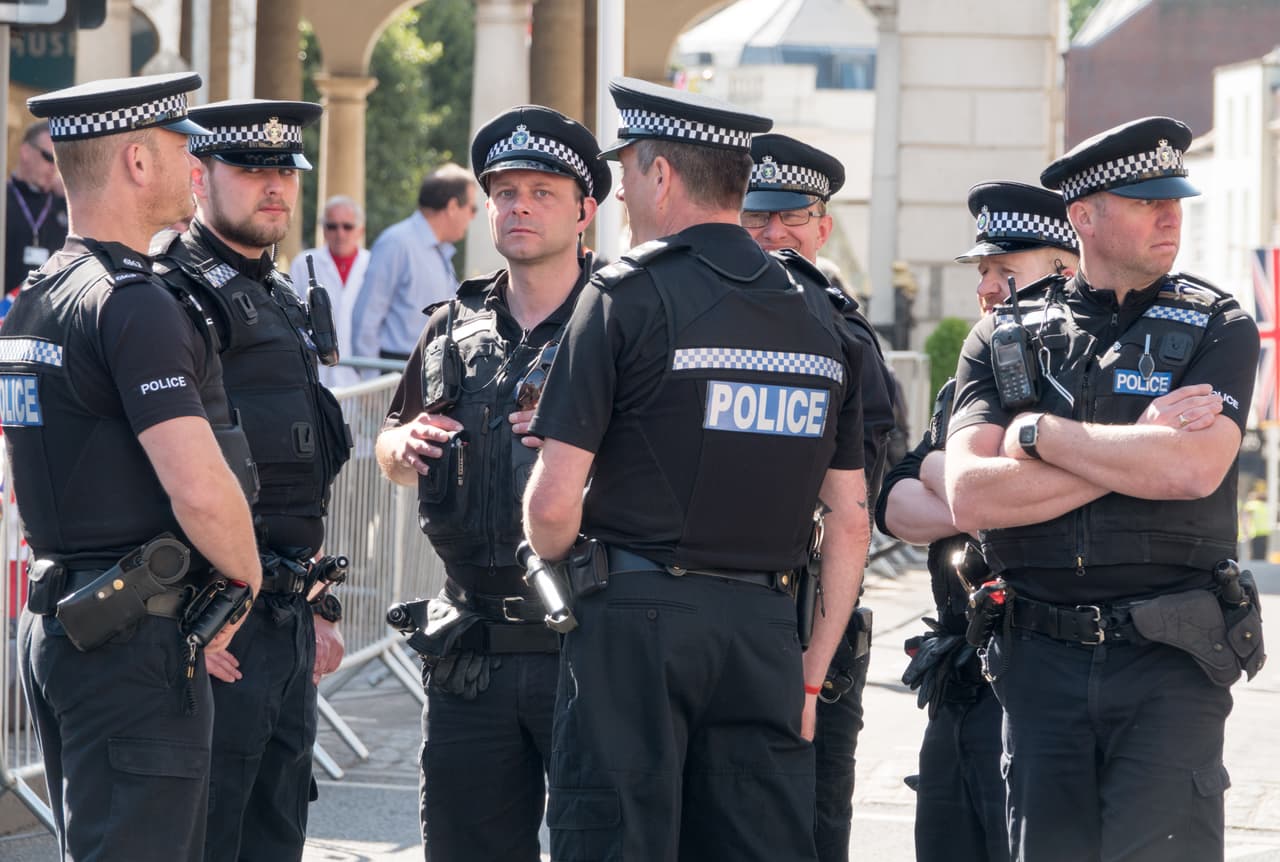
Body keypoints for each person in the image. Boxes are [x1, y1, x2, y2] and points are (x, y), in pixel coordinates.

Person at [523, 77, 871, 861]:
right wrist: (810, 678)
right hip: (765, 636)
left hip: (634, 626)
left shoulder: (623, 296)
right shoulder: (822, 314)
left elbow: (550, 506)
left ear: (660, 174)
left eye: (625, 173)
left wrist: (555, 564)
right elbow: (850, 519)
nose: (618, 196)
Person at [945, 116, 1261, 861]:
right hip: (1041, 662)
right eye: (1147, 201)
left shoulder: (1218, 324)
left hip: (1169, 664)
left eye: (1175, 200)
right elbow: (969, 496)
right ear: (1083, 216)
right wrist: (1132, 452)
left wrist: (1039, 436)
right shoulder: (1005, 335)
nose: (1170, 215)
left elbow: (1190, 470)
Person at [7, 72, 261, 861]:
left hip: (70, 621)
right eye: (184, 149)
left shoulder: (36, 298)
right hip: (130, 644)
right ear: (137, 163)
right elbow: (197, 483)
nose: (197, 166)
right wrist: (245, 585)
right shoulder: (132, 302)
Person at [375, 104, 608, 862]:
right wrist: (399, 446)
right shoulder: (453, 326)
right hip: (470, 651)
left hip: (589, 646)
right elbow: (387, 436)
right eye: (505, 192)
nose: (519, 206)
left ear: (585, 211)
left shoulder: (624, 323)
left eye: (542, 191)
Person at [152, 98, 353, 862]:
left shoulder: (279, 297)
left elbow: (301, 470)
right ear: (199, 177)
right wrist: (184, 628)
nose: (273, 185)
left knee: (276, 836)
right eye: (250, 168)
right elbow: (163, 475)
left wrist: (320, 607)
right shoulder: (169, 294)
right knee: (213, 836)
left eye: (283, 170)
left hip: (284, 621)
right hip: (213, 626)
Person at [880, 181, 1079, 862]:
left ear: (1065, 270)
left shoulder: (1078, 379)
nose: (988, 288)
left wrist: (958, 483)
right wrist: (967, 487)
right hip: (958, 671)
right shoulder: (968, 379)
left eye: (1006, 271)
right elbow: (896, 500)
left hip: (1036, 670)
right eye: (984, 273)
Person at [740, 132, 894, 862]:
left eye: (791, 218)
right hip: (711, 614)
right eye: (756, 218)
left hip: (806, 619)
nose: (774, 235)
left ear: (822, 227)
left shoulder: (847, 338)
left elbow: (852, 511)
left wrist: (813, 667)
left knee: (805, 827)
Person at [349, 163, 475, 364]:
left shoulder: (440, 251)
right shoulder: (397, 243)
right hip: (394, 372)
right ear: (452, 207)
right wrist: (373, 381)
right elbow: (366, 318)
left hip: (427, 368)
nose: (472, 217)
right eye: (472, 208)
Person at [290, 195, 370, 388]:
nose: (340, 233)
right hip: (316, 374)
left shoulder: (372, 264)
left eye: (347, 226)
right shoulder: (304, 264)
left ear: (360, 230)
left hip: (362, 376)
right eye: (332, 226)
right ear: (324, 230)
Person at [5, 120, 68, 295]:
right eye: (49, 157)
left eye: (58, 162)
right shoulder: (5, 198)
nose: (53, 168)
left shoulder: (62, 202)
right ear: (25, 152)